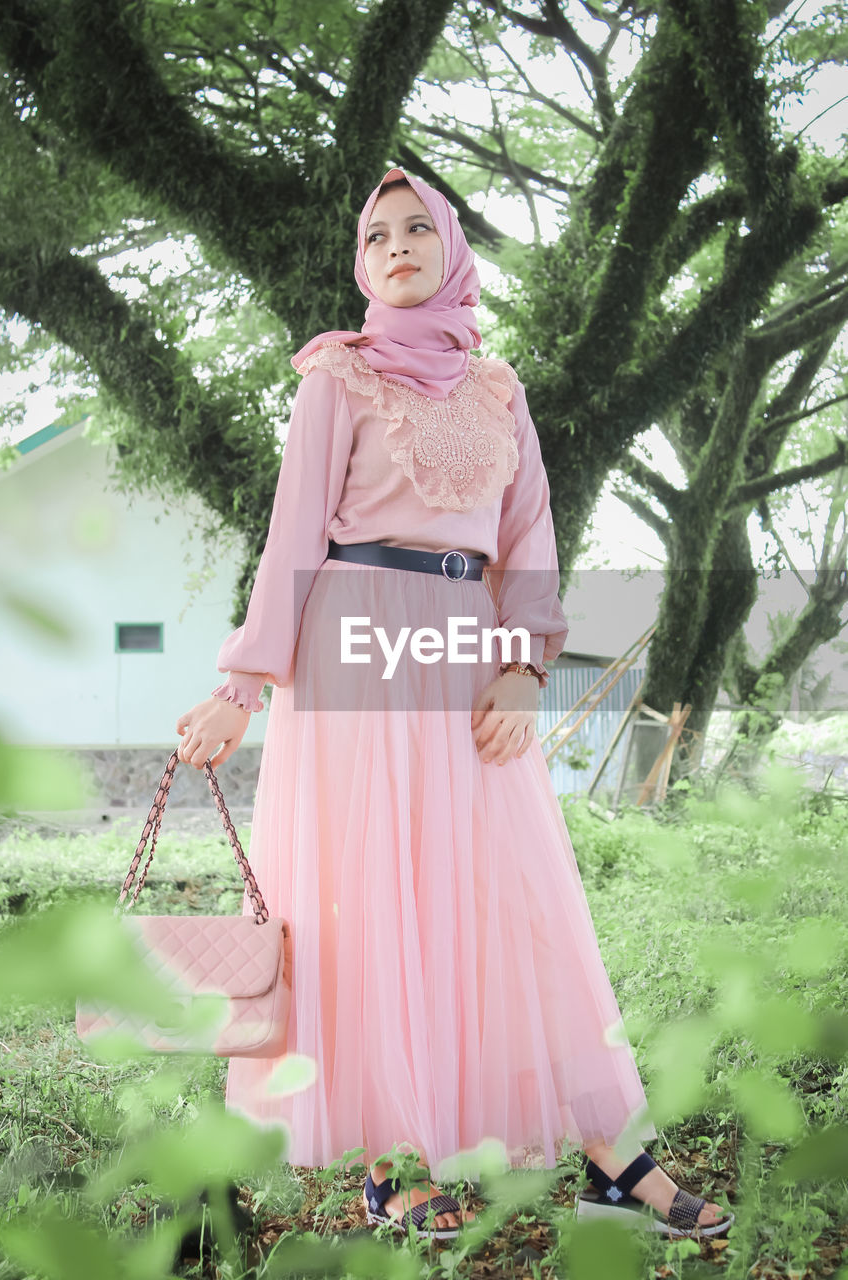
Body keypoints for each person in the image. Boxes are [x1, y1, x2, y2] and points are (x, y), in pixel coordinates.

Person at [176, 169, 733, 1241]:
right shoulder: (336, 377)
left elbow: (529, 540)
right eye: (375, 232)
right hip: (354, 645)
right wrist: (239, 686)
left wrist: (525, 665)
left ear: (452, 246)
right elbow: (293, 538)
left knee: (520, 903)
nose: (395, 244)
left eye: (416, 227)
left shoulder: (498, 386)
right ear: (359, 258)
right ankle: (395, 1155)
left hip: (469, 651)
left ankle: (617, 1159)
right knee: (370, 905)